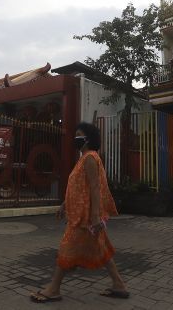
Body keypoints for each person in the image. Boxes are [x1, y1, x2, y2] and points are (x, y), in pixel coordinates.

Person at [30, 122, 129, 303]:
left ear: (87, 139)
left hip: (84, 219)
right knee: (102, 248)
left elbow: (94, 187)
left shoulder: (90, 157)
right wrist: (64, 205)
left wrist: (95, 216)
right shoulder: (83, 158)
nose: (75, 138)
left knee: (66, 249)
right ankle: (119, 285)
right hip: (80, 215)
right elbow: (77, 187)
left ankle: (53, 289)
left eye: (78, 134)